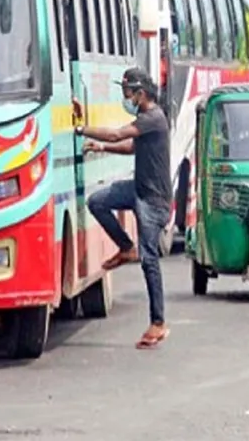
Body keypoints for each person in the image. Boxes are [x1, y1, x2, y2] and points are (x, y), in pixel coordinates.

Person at [74, 67, 171, 350]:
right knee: (98, 202)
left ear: (141, 94)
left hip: (153, 199)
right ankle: (126, 246)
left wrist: (80, 129)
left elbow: (117, 135)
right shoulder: (145, 120)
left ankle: (158, 322)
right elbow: (130, 147)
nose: (125, 98)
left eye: (128, 93)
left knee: (150, 260)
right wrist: (100, 148)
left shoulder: (153, 117)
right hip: (138, 189)